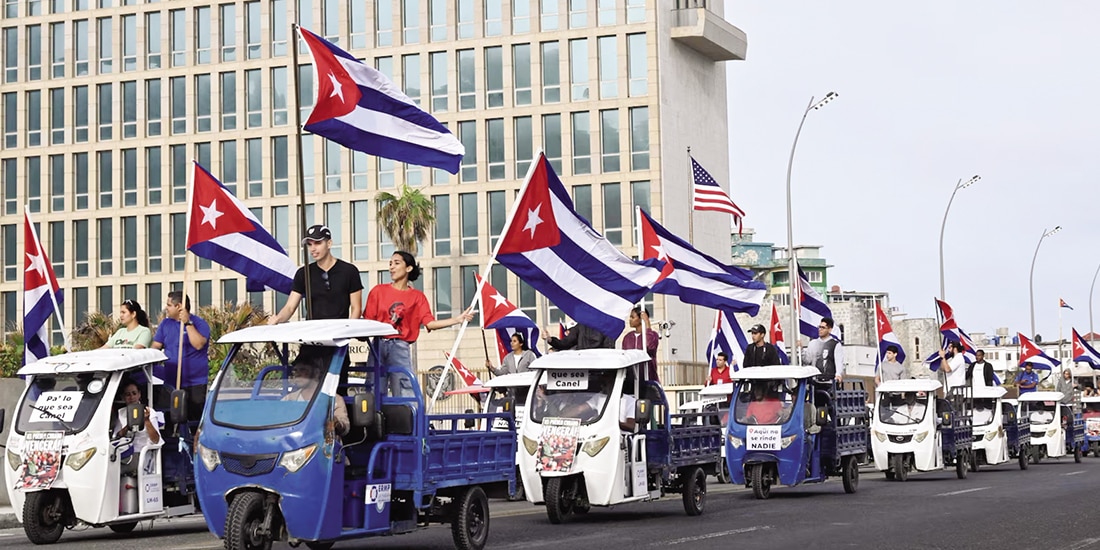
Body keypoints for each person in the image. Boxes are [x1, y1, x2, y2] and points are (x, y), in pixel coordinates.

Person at [363, 251, 472, 394]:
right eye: (390, 264)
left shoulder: (417, 297)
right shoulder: (378, 291)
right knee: (373, 387)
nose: (391, 267)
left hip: (400, 346)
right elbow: (368, 321)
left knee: (404, 387)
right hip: (378, 344)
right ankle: (373, 416)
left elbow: (429, 323)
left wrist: (457, 319)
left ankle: (409, 415)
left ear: (408, 268)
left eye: (396, 263)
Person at [270, 224, 364, 324]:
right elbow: (290, 307)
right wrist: (278, 319)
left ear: (329, 243)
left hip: (339, 334)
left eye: (317, 243)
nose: (312, 249)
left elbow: (356, 308)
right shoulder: (303, 273)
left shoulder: (349, 271)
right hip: (312, 334)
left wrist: (347, 330)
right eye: (309, 244)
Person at [151, 291, 210, 422]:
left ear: (179, 306)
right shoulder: (165, 324)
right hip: (171, 383)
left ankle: (192, 442)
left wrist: (187, 323)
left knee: (194, 420)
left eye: (169, 305)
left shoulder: (199, 323)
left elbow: (199, 344)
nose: (166, 308)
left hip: (195, 383)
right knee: (172, 420)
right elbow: (155, 346)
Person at [283, 352, 349, 436]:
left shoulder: (333, 399)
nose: (297, 374)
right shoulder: (289, 399)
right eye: (295, 371)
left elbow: (344, 428)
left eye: (303, 370)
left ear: (316, 373)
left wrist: (335, 422)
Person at [113, 380, 164, 475]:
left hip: (143, 453)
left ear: (139, 394)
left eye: (134, 393)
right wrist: (128, 426)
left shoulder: (149, 412)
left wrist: (147, 420)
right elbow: (116, 437)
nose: (131, 397)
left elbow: (156, 440)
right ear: (123, 397)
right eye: (128, 394)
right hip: (125, 453)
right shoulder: (121, 413)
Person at [621, 306, 660, 382]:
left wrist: (647, 325)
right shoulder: (627, 337)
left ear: (640, 319)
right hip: (631, 380)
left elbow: (650, 346)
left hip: (648, 378)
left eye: (632, 317)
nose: (630, 320)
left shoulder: (653, 335)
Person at [546, 321, 615, 351]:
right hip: (583, 365)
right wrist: (550, 339)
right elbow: (565, 343)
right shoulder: (580, 327)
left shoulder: (607, 326)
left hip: (599, 366)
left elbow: (609, 350)